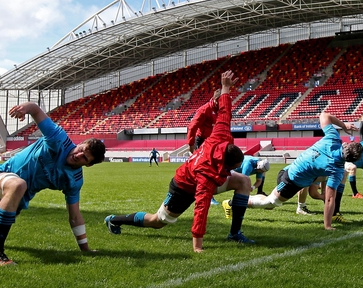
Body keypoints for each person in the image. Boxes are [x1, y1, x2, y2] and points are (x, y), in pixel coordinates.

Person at [104, 71, 255, 252]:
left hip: (205, 173)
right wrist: (197, 246)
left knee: (243, 181)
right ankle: (114, 219)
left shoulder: (222, 135)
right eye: (233, 167)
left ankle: (234, 233)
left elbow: (225, 112)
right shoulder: (206, 176)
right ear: (226, 164)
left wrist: (225, 88)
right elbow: (201, 208)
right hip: (183, 188)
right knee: (157, 221)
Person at [0, 102, 107, 266]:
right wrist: (25, 109)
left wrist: (85, 249)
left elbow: (75, 216)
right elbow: (35, 109)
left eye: (84, 157)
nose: (78, 154)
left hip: (17, 198)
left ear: (88, 165)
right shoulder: (58, 139)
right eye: (80, 149)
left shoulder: (75, 180)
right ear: (80, 143)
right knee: (18, 184)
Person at [243, 111, 362, 230]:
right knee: (268, 204)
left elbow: (324, 115)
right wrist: (328, 226)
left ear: (346, 144)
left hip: (294, 171)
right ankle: (235, 202)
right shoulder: (337, 170)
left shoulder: (333, 138)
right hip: (290, 180)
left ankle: (309, 206)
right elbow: (330, 199)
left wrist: (343, 125)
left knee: (338, 175)